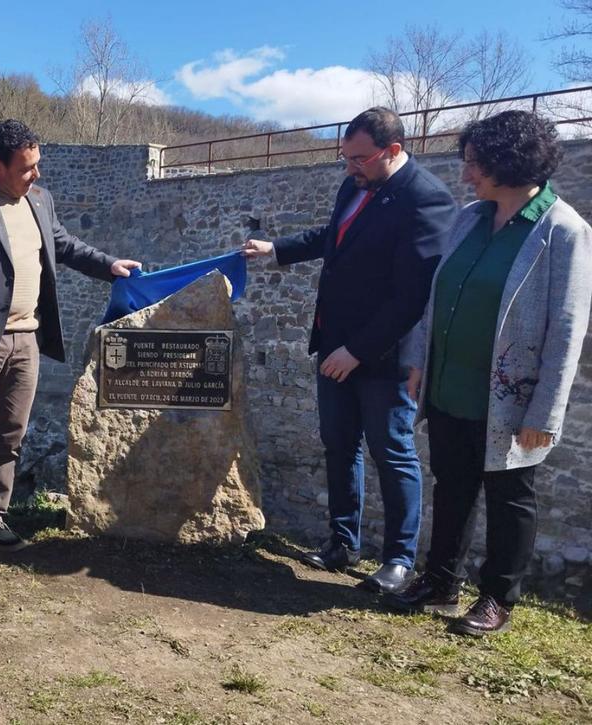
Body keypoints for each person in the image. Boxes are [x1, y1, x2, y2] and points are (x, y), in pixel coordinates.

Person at [388, 111, 592, 635]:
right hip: (449, 384)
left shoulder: (564, 231)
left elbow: (566, 333)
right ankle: (440, 583)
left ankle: (498, 597)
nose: (466, 175)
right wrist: (419, 364)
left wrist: (544, 412)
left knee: (510, 499)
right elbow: (438, 296)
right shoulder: (469, 218)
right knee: (451, 486)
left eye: (475, 164)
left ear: (511, 162)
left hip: (511, 399)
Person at [241, 107, 456, 594]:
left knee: (392, 452)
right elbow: (332, 237)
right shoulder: (355, 185)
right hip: (333, 345)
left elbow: (412, 299)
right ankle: (342, 542)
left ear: (393, 151)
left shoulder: (426, 201)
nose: (348, 166)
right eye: (345, 156)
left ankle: (398, 560)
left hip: (383, 359)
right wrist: (276, 249)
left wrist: (356, 351)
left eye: (359, 158)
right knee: (339, 445)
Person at [0, 119, 139, 566]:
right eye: (27, 168)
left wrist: (110, 265)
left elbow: (63, 244)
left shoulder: (40, 200)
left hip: (27, 339)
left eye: (37, 165)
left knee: (11, 433)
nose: (37, 175)